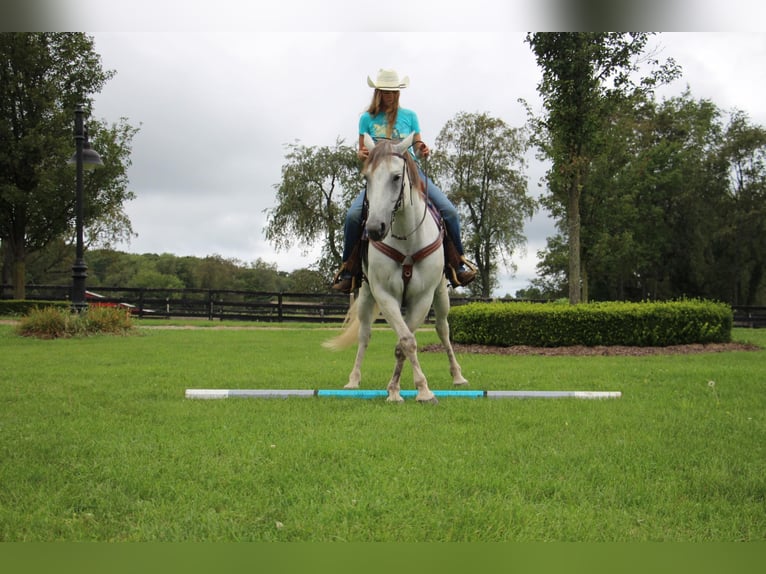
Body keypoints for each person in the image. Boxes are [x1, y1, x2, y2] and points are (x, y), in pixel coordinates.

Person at [332, 69, 476, 293]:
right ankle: (349, 270)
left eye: (393, 91)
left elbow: (417, 148)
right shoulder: (366, 119)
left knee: (449, 212)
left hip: (411, 173)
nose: (389, 95)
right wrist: (361, 155)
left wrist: (423, 150)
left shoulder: (410, 116)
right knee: (353, 216)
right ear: (378, 92)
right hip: (381, 179)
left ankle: (457, 265)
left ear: (398, 92)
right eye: (385, 91)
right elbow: (362, 152)